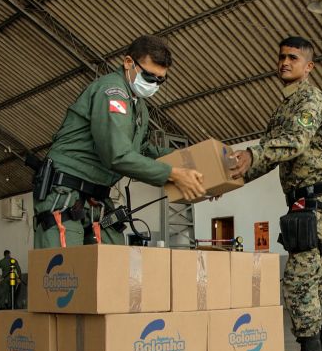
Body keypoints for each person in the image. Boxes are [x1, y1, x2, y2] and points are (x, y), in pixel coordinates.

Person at [231, 36, 322, 351]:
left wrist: (250, 155)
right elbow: (270, 153)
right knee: (312, 278)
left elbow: (294, 142)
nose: (284, 62)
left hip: (315, 201)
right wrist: (232, 178)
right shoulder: (284, 106)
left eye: (293, 58)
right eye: (281, 56)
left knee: (296, 282)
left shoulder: (310, 99)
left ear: (308, 66)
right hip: (300, 202)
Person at [32, 35, 206, 248]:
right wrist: (175, 174)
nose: (154, 84)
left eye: (161, 80)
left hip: (95, 196)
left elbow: (141, 149)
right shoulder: (112, 92)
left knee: (114, 262)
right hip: (65, 192)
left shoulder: (138, 106)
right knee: (65, 271)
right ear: (128, 63)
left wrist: (198, 171)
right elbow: (118, 155)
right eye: (150, 77)